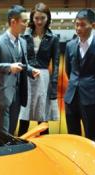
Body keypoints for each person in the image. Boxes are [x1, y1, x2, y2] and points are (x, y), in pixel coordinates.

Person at [0, 5, 40, 135]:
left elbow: (22, 63)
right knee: (3, 135)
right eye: (24, 21)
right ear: (13, 22)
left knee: (11, 132)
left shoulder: (22, 42)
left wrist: (30, 70)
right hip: (1, 96)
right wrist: (9, 67)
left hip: (18, 95)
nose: (27, 24)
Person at [64, 9, 95, 142]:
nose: (78, 28)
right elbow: (68, 70)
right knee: (72, 136)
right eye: (77, 24)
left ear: (93, 25)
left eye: (83, 25)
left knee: (90, 134)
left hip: (90, 97)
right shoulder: (70, 45)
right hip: (71, 96)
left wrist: (94, 89)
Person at [18, 2, 60, 136]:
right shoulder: (24, 36)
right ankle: (20, 145)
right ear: (32, 18)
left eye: (43, 18)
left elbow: (56, 64)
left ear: (48, 18)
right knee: (23, 118)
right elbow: (20, 59)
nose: (39, 21)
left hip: (43, 79)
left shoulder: (53, 38)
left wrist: (53, 88)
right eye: (36, 18)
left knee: (42, 119)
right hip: (26, 76)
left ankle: (45, 147)